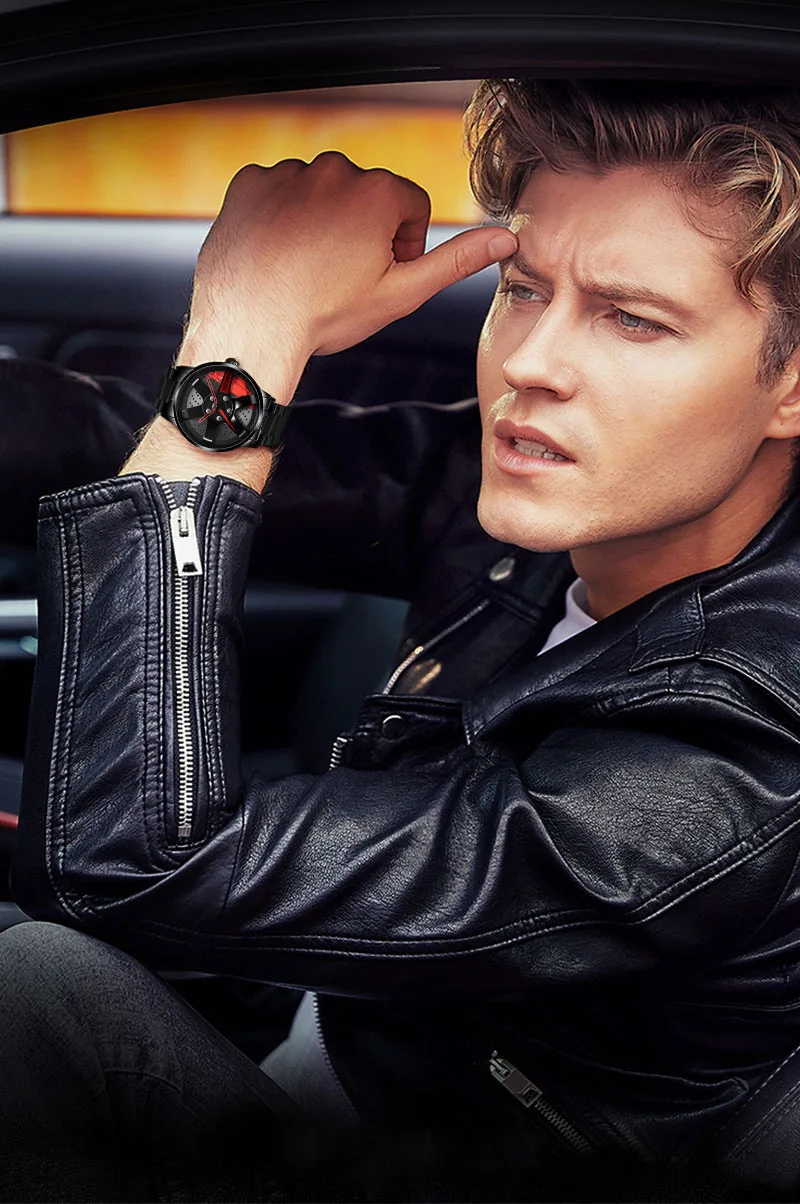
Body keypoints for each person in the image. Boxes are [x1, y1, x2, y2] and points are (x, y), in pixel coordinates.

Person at [3, 76, 800, 1200]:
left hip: (437, 1159)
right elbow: (101, 443)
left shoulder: (733, 752)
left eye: (632, 318)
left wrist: (249, 325)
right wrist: (230, 375)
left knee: (33, 985)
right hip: (345, 1045)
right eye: (522, 289)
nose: (529, 364)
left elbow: (130, 863)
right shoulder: (554, 499)